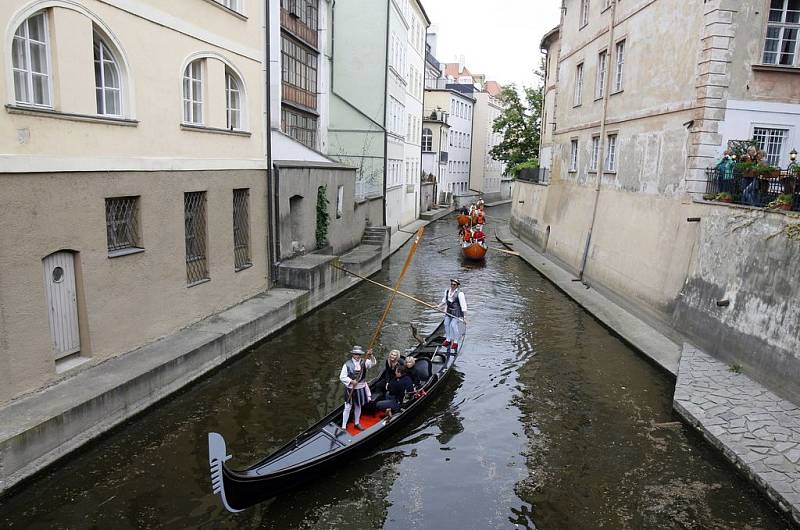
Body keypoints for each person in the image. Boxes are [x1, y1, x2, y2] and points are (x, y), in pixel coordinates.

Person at [339, 346, 376, 430]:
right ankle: (343, 426)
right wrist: (351, 381)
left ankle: (357, 423)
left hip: (360, 388)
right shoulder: (347, 364)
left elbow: (373, 363)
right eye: (356, 354)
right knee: (347, 407)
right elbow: (342, 377)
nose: (357, 356)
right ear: (352, 354)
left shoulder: (365, 361)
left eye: (359, 354)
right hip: (350, 389)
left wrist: (371, 355)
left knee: (358, 406)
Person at [438, 279, 467, 353]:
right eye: (451, 284)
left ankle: (456, 342)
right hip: (448, 310)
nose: (452, 286)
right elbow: (444, 301)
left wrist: (465, 317)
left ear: (457, 285)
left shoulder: (460, 294)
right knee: (446, 324)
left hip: (456, 312)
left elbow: (463, 306)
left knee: (453, 325)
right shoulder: (447, 291)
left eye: (454, 284)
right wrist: (438, 306)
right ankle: (448, 339)